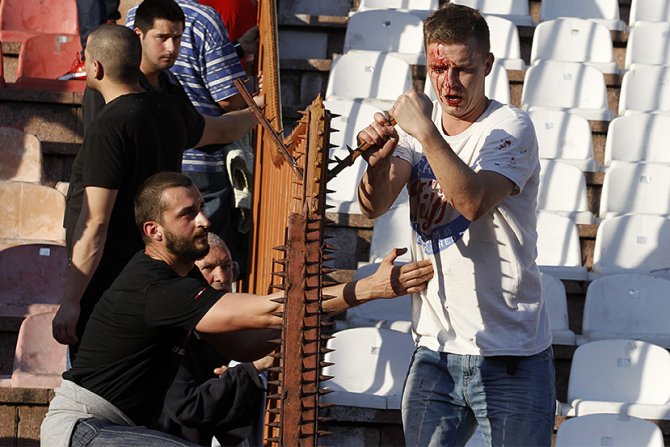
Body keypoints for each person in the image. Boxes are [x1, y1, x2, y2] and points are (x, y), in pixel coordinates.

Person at [41, 171, 434, 446]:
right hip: (82, 429)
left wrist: (302, 326)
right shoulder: (154, 286)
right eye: (187, 214)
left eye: (200, 206)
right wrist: (364, 291)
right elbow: (267, 311)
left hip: (114, 429)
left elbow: (242, 345)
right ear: (153, 231)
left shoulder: (182, 281)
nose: (203, 219)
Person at [356, 4, 555, 446]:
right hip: (435, 350)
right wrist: (376, 162)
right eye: (438, 68)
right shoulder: (414, 131)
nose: (448, 83)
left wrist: (426, 132)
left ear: (486, 64)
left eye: (462, 69)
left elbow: (473, 201)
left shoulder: (509, 126)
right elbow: (374, 204)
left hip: (510, 354)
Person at [52, 23, 260, 359]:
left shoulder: (108, 126)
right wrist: (261, 111)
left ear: (95, 67)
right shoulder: (167, 108)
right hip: (157, 268)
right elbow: (222, 130)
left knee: (97, 376)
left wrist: (71, 300)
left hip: (109, 282)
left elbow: (95, 223)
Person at [126, 0, 255, 276]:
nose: (171, 47)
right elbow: (229, 99)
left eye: (176, 38)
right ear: (141, 35)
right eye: (163, 38)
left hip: (162, 169)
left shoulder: (136, 16)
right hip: (197, 167)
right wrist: (256, 104)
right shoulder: (204, 17)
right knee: (206, 265)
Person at [159, 234, 268, 446]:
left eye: (227, 266)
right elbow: (187, 406)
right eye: (208, 268)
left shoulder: (240, 326)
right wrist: (251, 369)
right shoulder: (171, 330)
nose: (221, 277)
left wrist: (234, 378)